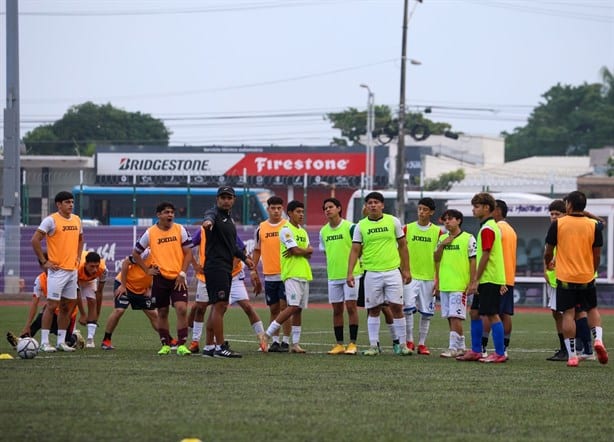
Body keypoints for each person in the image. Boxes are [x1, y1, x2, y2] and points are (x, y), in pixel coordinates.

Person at [544, 190, 608, 367]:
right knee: (592, 309)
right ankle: (598, 341)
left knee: (568, 314)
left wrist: (548, 262)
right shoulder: (594, 225)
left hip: (565, 277)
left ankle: (572, 355)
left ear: (569, 205)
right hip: (587, 276)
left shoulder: (558, 224)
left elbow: (548, 251)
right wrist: (591, 270)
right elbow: (597, 255)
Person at [347, 191, 412, 356]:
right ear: (366, 206)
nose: (373, 205)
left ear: (382, 205)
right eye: (370, 203)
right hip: (371, 272)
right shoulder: (361, 225)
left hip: (392, 271)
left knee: (397, 307)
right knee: (373, 309)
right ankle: (373, 345)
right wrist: (349, 273)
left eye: (376, 202)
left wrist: (406, 269)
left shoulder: (393, 221)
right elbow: (355, 250)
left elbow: (403, 246)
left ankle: (403, 345)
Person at [133, 201, 193, 356]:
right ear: (158, 215)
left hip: (178, 277)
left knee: (181, 308)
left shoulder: (180, 229)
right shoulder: (150, 232)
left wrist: (183, 273)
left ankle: (181, 344)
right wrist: (146, 270)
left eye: (172, 212)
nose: (170, 215)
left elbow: (188, 253)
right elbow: (136, 253)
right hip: (160, 278)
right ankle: (165, 344)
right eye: (166, 212)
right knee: (163, 311)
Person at [201, 186, 254, 358]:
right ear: (217, 199)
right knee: (220, 305)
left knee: (219, 306)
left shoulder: (229, 219)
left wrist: (245, 258)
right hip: (216, 266)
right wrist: (208, 222)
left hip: (224, 266)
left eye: (229, 197)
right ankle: (220, 347)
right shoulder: (214, 213)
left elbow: (231, 246)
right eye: (223, 197)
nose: (226, 200)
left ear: (233, 200)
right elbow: (209, 218)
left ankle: (209, 347)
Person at [457, 192, 507, 363]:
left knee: (492, 314)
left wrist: (475, 279)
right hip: (488, 278)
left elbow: (485, 254)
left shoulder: (487, 228)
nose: (473, 210)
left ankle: (500, 353)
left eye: (476, 206)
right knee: (475, 312)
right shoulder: (489, 226)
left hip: (488, 278)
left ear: (487, 208)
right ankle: (477, 350)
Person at [31, 190, 84, 352]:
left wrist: (78, 257)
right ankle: (44, 342)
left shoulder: (77, 219)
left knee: (66, 307)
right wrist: (44, 261)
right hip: (57, 271)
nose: (71, 205)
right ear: (58, 205)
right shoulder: (51, 221)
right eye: (67, 202)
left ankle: (61, 342)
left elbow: (81, 240)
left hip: (72, 271)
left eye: (72, 202)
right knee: (51, 305)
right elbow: (35, 240)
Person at [6, 252, 84, 350]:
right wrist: (27, 325)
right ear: (41, 266)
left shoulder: (65, 276)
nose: (49, 267)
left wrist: (81, 314)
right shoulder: (40, 280)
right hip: (53, 312)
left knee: (69, 341)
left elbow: (76, 296)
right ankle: (21, 341)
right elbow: (35, 303)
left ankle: (76, 336)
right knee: (41, 316)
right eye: (45, 265)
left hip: (68, 315)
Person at [263, 200, 313, 353]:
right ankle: (267, 334)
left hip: (304, 273)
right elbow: (297, 250)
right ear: (290, 213)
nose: (301, 215)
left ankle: (295, 344)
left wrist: (301, 250)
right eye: (298, 212)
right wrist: (303, 250)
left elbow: (307, 253)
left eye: (302, 212)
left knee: (298, 310)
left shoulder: (303, 232)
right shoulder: (285, 230)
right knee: (291, 307)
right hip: (291, 274)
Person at [319, 197, 360, 355]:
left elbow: (358, 250)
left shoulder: (351, 227)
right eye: (325, 208)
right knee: (336, 310)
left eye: (330, 207)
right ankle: (339, 344)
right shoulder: (324, 231)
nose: (327, 210)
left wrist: (352, 270)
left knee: (351, 307)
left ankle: (353, 343)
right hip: (334, 276)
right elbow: (325, 253)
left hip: (352, 275)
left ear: (339, 208)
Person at [250, 196, 292, 352]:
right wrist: (253, 270)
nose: (276, 211)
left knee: (285, 307)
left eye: (279, 208)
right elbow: (257, 251)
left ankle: (286, 341)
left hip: (286, 274)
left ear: (282, 209)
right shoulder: (261, 228)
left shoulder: (287, 226)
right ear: (268, 209)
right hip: (269, 275)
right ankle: (275, 341)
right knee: (273, 309)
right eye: (273, 208)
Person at [434, 209, 477, 358]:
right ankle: (461, 347)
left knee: (455, 317)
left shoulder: (468, 238)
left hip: (459, 285)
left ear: (458, 220)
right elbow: (436, 258)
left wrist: (472, 282)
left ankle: (453, 348)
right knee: (449, 317)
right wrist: (442, 245)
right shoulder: (443, 238)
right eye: (445, 219)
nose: (447, 222)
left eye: (450, 219)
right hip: (445, 283)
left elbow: (473, 261)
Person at [403, 197, 442, 355]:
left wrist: (437, 278)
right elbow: (401, 251)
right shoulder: (407, 229)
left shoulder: (438, 232)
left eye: (425, 210)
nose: (421, 212)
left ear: (431, 212)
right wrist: (404, 271)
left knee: (426, 313)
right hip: (410, 276)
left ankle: (422, 344)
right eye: (419, 209)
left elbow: (439, 258)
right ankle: (409, 340)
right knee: (407, 310)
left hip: (428, 277)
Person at [100, 249, 158, 350]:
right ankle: (106, 340)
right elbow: (125, 263)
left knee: (153, 314)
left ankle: (167, 340)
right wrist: (123, 285)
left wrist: (149, 288)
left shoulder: (165, 257)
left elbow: (155, 274)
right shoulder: (146, 252)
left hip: (141, 289)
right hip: (125, 285)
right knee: (119, 310)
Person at [481, 199, 517, 358]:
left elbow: (491, 254)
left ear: (497, 211)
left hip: (496, 277)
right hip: (508, 276)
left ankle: (483, 346)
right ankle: (505, 347)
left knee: (490, 313)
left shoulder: (495, 229)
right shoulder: (511, 230)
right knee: (505, 314)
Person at [76, 251, 108, 348]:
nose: (95, 270)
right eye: (92, 266)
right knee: (70, 303)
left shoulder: (103, 270)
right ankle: (72, 333)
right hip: (75, 278)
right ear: (86, 264)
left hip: (89, 281)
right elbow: (76, 293)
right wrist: (82, 314)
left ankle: (90, 338)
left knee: (92, 301)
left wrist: (97, 314)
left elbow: (99, 292)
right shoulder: (77, 267)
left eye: (96, 266)